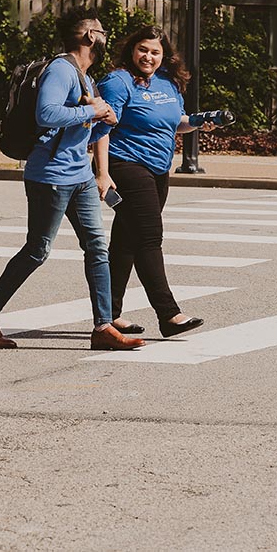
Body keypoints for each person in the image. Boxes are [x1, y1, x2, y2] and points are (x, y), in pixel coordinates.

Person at [0, 6, 145, 351]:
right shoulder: (61, 70)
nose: (105, 37)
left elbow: (77, 131)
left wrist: (102, 121)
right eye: (102, 31)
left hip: (79, 176)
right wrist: (93, 110)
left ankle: (103, 327)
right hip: (50, 177)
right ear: (90, 36)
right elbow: (46, 114)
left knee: (96, 248)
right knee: (37, 250)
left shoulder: (85, 76)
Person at [95, 25, 226, 337]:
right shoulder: (118, 81)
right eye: (143, 49)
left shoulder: (168, 83)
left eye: (155, 52)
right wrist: (102, 173)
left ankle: (108, 314)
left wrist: (198, 122)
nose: (148, 56)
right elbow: (103, 127)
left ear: (164, 55)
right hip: (126, 164)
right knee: (149, 238)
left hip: (158, 169)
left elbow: (175, 122)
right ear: (131, 50)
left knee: (126, 242)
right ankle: (169, 314)